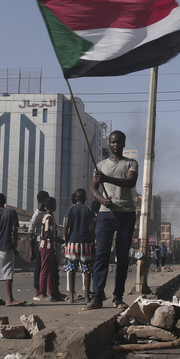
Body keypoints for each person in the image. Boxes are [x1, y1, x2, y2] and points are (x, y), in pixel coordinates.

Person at [86, 130, 138, 311]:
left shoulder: (131, 163)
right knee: (101, 255)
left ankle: (118, 297)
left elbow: (130, 182)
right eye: (112, 142)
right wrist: (101, 200)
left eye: (118, 142)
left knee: (122, 256)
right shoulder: (100, 165)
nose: (115, 144)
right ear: (109, 143)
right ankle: (97, 297)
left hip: (126, 213)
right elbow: (93, 188)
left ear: (124, 143)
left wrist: (107, 179)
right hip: (105, 214)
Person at [63, 188, 95, 304]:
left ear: (75, 198)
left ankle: (71, 296)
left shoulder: (71, 209)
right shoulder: (89, 210)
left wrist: (65, 241)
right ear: (85, 198)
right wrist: (92, 242)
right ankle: (86, 296)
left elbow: (66, 225)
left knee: (71, 270)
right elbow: (92, 228)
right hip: (86, 243)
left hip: (72, 242)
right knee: (86, 270)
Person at [34, 197, 64, 302]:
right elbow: (47, 234)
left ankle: (53, 293)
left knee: (52, 270)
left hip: (50, 247)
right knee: (45, 270)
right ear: (52, 206)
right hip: (47, 246)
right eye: (55, 204)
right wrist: (59, 240)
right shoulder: (49, 218)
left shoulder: (49, 217)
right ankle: (42, 292)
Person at [28, 191, 50, 296]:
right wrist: (31, 250)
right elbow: (30, 233)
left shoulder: (46, 213)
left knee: (46, 267)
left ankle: (45, 289)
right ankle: (37, 289)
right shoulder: (36, 215)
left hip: (46, 244)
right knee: (39, 266)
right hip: (38, 243)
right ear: (42, 200)